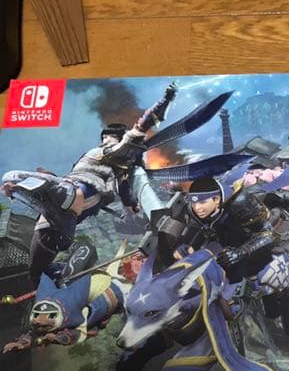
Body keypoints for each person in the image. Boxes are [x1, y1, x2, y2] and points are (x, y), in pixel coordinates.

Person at [2, 83, 177, 286]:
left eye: (109, 138)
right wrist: (164, 101)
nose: (106, 141)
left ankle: (52, 269)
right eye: (106, 138)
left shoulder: (111, 159)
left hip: (67, 206)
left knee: (43, 260)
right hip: (67, 202)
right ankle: (50, 270)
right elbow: (140, 129)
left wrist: (131, 205)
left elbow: (125, 188)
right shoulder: (107, 154)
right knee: (37, 267)